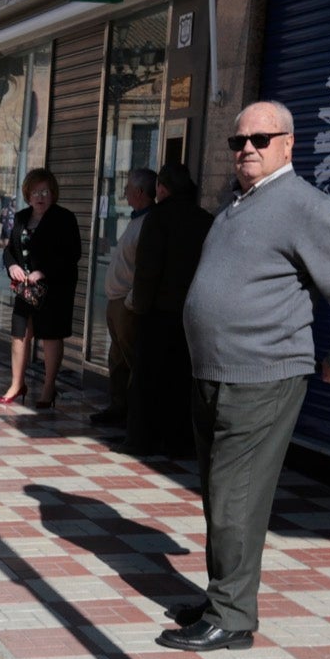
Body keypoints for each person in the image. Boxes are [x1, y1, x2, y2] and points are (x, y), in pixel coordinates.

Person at [158, 102, 330, 653]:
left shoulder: (301, 204)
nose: (248, 150)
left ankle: (232, 619)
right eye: (239, 142)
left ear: (288, 143)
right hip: (217, 373)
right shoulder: (240, 203)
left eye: (261, 139)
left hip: (261, 377)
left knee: (235, 497)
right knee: (222, 495)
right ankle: (224, 597)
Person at [124, 160, 211, 457]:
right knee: (181, 378)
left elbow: (147, 270)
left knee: (148, 378)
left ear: (162, 188)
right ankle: (178, 441)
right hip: (192, 314)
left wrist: (139, 309)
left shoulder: (158, 219)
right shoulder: (204, 219)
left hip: (158, 312)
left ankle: (142, 440)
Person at [0, 167, 80, 410]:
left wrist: (42, 272)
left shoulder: (64, 218)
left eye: (45, 191)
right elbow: (9, 249)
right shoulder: (21, 217)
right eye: (35, 192)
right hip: (26, 290)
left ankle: (48, 387)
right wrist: (12, 267)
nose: (40, 197)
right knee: (19, 334)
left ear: (53, 193)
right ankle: (17, 384)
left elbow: (72, 254)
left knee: (51, 336)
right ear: (27, 195)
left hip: (55, 289)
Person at [93, 167, 156, 425]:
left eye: (128, 188)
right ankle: (118, 407)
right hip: (116, 300)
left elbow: (145, 268)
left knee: (131, 359)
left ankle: (135, 416)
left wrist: (130, 300)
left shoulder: (148, 224)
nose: (125, 192)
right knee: (117, 359)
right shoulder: (135, 220)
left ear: (140, 192)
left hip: (126, 304)